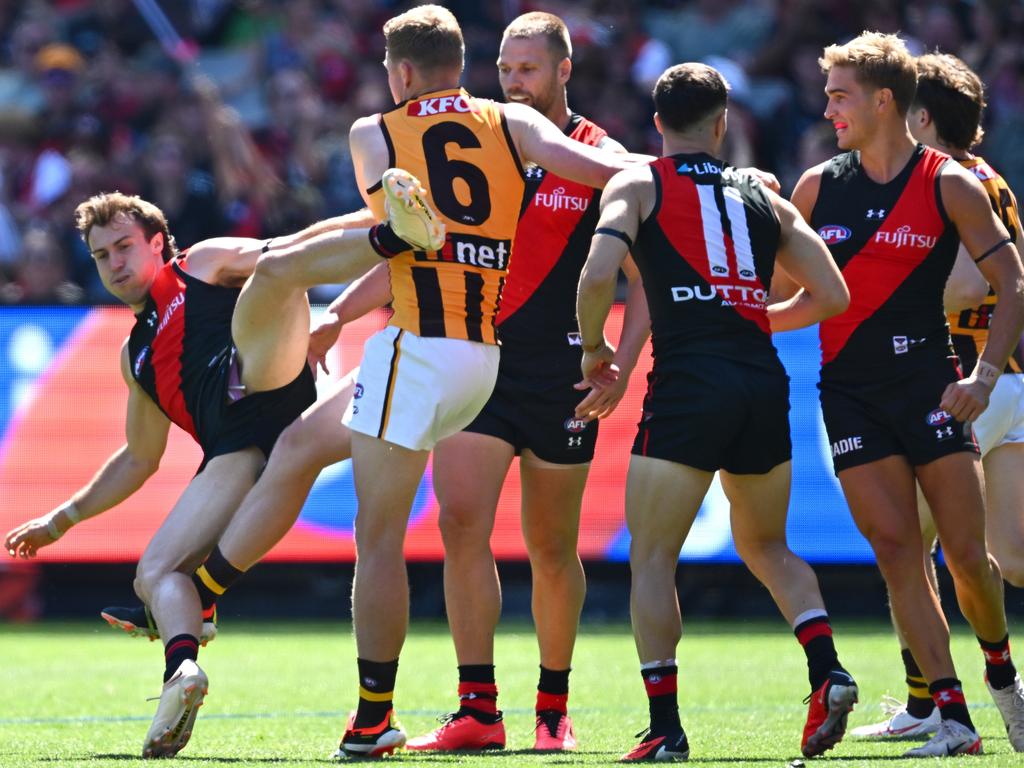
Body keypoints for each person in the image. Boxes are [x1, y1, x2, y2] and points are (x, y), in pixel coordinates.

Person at [177, 5, 644, 759]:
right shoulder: (512, 127)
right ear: (467, 64)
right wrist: (698, 173)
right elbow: (612, 170)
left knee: (378, 537)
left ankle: (370, 718)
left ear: (398, 73)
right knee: (319, 452)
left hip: (426, 346)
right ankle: (210, 590)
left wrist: (319, 260)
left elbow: (382, 224)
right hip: (480, 358)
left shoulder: (375, 131)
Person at [2, 186, 441, 758]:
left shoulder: (199, 264)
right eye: (101, 255)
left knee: (278, 266)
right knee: (153, 573)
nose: (115, 263)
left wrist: (373, 218)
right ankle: (182, 669)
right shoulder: (134, 353)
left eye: (124, 246)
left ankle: (396, 237)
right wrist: (61, 521)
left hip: (266, 375)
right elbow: (139, 457)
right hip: (236, 450)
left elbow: (294, 245)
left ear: (158, 243)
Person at [577, 62, 856, 762]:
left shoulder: (638, 181)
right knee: (768, 546)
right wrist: (756, 313)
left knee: (651, 557)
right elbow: (832, 295)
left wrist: (594, 351)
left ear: (657, 124)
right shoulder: (763, 195)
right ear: (723, 123)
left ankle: (666, 728)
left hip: (687, 389)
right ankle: (828, 668)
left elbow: (595, 272)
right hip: (763, 383)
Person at [404, 12, 649, 754]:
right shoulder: (482, 142)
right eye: (505, 70)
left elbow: (644, 280)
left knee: (550, 547)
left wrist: (623, 363)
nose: (512, 83)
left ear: (564, 71)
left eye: (528, 70)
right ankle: (477, 708)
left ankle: (553, 706)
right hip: (478, 364)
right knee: (459, 526)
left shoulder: (601, 157)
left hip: (562, 377)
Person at [786, 32, 1024, 756]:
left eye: (839, 95)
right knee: (895, 551)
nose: (827, 109)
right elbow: (801, 298)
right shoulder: (815, 187)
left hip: (932, 386)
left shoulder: (948, 182)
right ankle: (952, 717)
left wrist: (982, 376)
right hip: (849, 395)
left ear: (884, 100)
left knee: (968, 559)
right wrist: (745, 312)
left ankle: (1003, 680)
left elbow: (1012, 282)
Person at [850, 52, 1024, 742]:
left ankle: (937, 705)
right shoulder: (991, 177)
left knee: (910, 549)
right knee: (1002, 556)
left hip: (960, 386)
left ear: (920, 115)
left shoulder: (947, 182)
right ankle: (929, 703)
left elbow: (960, 287)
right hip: (1005, 379)